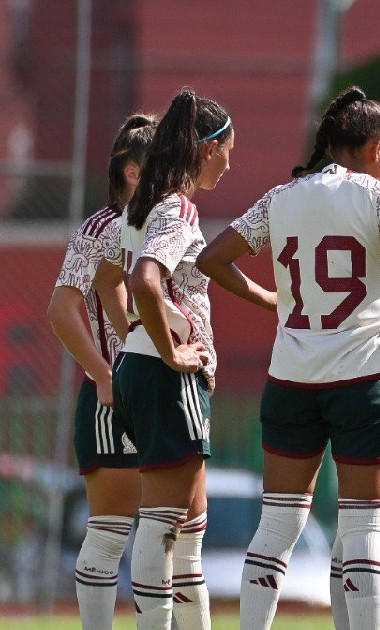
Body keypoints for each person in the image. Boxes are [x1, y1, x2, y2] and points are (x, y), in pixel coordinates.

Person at [196, 87, 380, 630]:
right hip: (362, 377)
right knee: (362, 534)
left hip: (292, 377)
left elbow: (211, 257)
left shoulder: (282, 197)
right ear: (378, 146)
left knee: (276, 527)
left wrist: (264, 297)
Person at [92, 88, 232, 630]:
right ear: (205, 148)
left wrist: (134, 334)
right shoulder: (176, 204)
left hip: (137, 366)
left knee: (189, 525)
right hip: (161, 373)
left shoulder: (144, 203)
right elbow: (144, 278)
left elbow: (111, 277)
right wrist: (170, 349)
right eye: (226, 149)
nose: (229, 161)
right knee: (165, 523)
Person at [48, 113, 155, 629]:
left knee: (174, 528)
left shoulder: (173, 223)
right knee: (113, 530)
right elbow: (62, 307)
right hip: (116, 398)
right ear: (133, 171)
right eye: (162, 163)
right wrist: (104, 373)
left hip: (171, 390)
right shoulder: (103, 227)